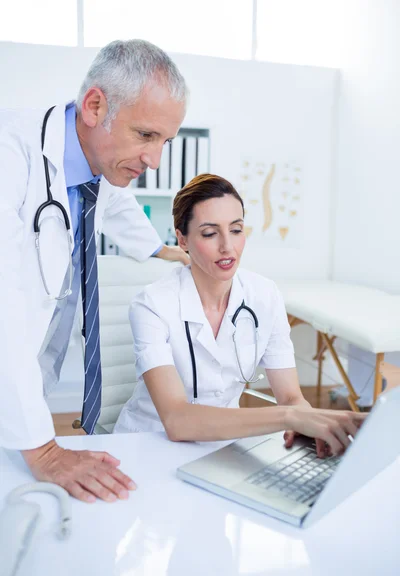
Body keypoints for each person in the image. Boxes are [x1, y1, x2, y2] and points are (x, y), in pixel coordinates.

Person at [0, 39, 189, 503]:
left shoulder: (98, 163)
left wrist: (160, 250)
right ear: (94, 105)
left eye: (165, 141)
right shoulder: (11, 153)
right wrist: (45, 450)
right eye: (146, 135)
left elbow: (118, 203)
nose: (155, 160)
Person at [114, 174, 366, 453]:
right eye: (210, 233)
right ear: (182, 239)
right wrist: (288, 417)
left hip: (224, 445)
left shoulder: (264, 295)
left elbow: (291, 397)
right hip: (149, 443)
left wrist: (307, 425)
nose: (227, 246)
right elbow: (176, 420)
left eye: (236, 230)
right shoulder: (152, 304)